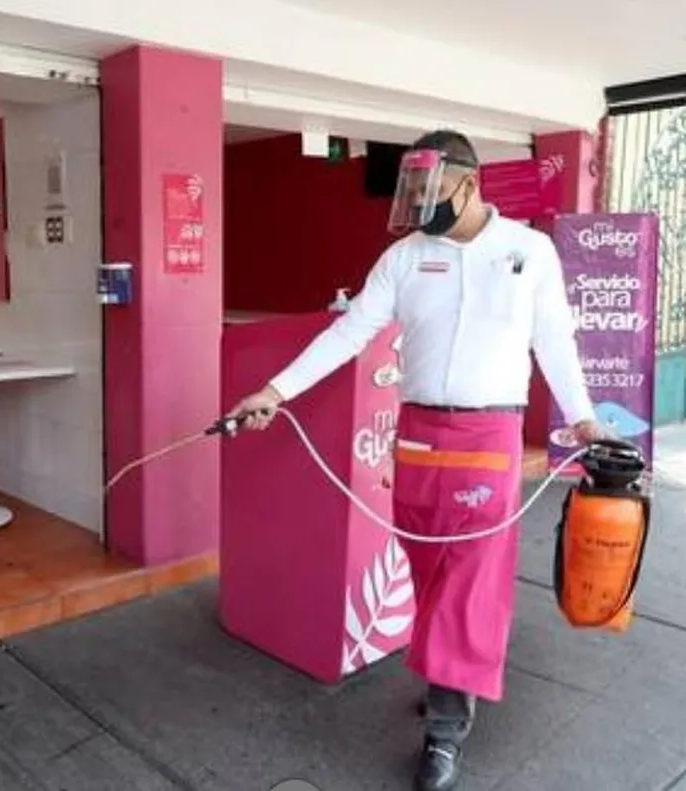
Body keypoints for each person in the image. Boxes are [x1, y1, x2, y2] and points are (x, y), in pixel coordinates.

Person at [227, 130, 607, 791]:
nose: (420, 203)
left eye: (429, 190)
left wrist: (582, 417)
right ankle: (449, 673)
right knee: (429, 570)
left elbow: (555, 340)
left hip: (489, 435)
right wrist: (275, 390)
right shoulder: (405, 256)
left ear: (468, 182)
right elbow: (349, 332)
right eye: (412, 191)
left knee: (469, 579)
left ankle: (445, 729)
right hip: (418, 435)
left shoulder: (528, 250)